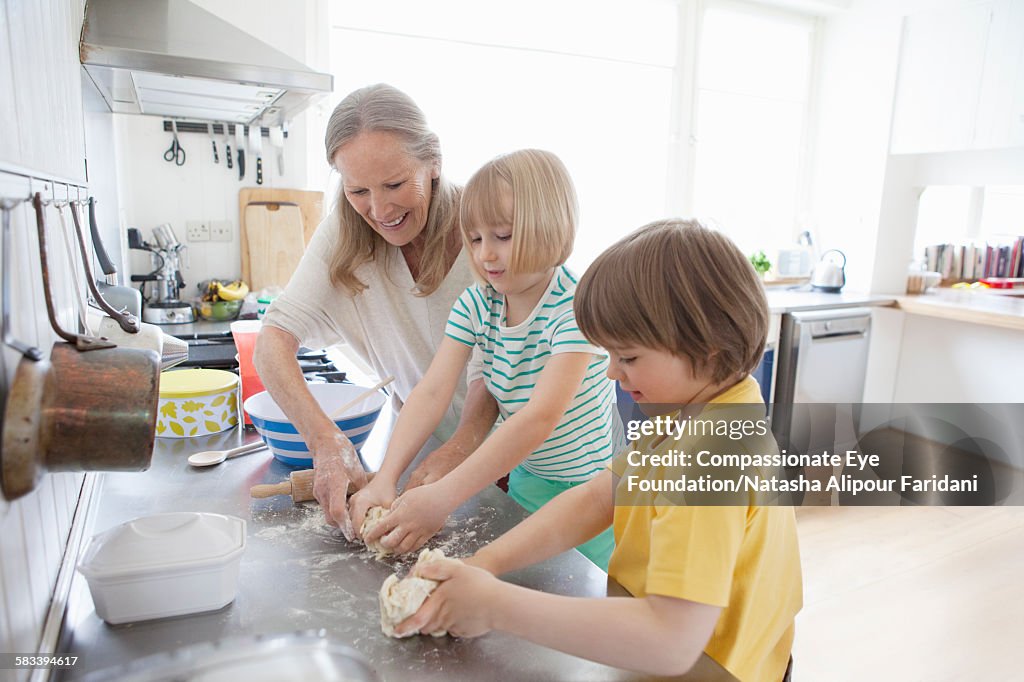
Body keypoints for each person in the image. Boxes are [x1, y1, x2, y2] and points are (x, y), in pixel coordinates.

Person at [396, 220, 803, 682]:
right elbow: (600, 497)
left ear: (706, 351)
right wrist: (482, 565)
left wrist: (495, 607)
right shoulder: (695, 408)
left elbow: (671, 642)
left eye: (627, 357)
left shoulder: (707, 457)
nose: (612, 372)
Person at [349, 149, 620, 568]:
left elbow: (539, 417)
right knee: (533, 585)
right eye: (475, 239)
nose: (485, 255)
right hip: (529, 479)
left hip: (593, 492)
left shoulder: (576, 308)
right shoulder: (478, 304)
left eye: (503, 236)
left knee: (585, 593)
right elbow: (433, 390)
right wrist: (385, 478)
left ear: (552, 227)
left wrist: (443, 497)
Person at [254, 84, 499, 539]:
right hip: (432, 449)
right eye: (358, 190)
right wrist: (326, 443)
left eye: (394, 184)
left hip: (534, 454)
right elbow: (272, 343)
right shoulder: (341, 237)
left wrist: (462, 450)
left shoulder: (487, 230)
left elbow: (495, 377)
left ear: (433, 162)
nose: (380, 209)